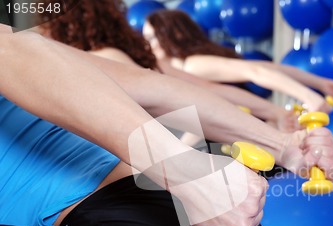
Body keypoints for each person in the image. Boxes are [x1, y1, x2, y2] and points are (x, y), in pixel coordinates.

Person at [0, 24, 333, 226]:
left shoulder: (20, 53)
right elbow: (155, 88)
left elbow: (11, 51)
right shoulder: (42, 58)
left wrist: (186, 173)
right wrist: (282, 145)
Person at [36, 0, 299, 134]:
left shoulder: (106, 58)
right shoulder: (143, 59)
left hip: (177, 163)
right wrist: (272, 115)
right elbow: (205, 92)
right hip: (192, 153)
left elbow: (174, 110)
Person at [142, 9, 333, 113]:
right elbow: (265, 67)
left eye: (152, 38)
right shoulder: (186, 67)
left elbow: (255, 72)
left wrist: (309, 97)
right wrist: (319, 84)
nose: (148, 45)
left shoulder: (193, 65)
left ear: (175, 34)